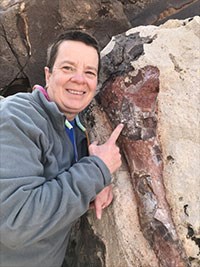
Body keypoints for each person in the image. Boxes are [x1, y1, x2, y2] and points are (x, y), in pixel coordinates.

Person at [0, 30, 124, 267]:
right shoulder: (16, 118)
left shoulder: (73, 127)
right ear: (48, 75)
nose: (79, 79)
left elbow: (61, 184)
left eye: (89, 72)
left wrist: (96, 183)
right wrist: (97, 170)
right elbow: (15, 222)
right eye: (68, 68)